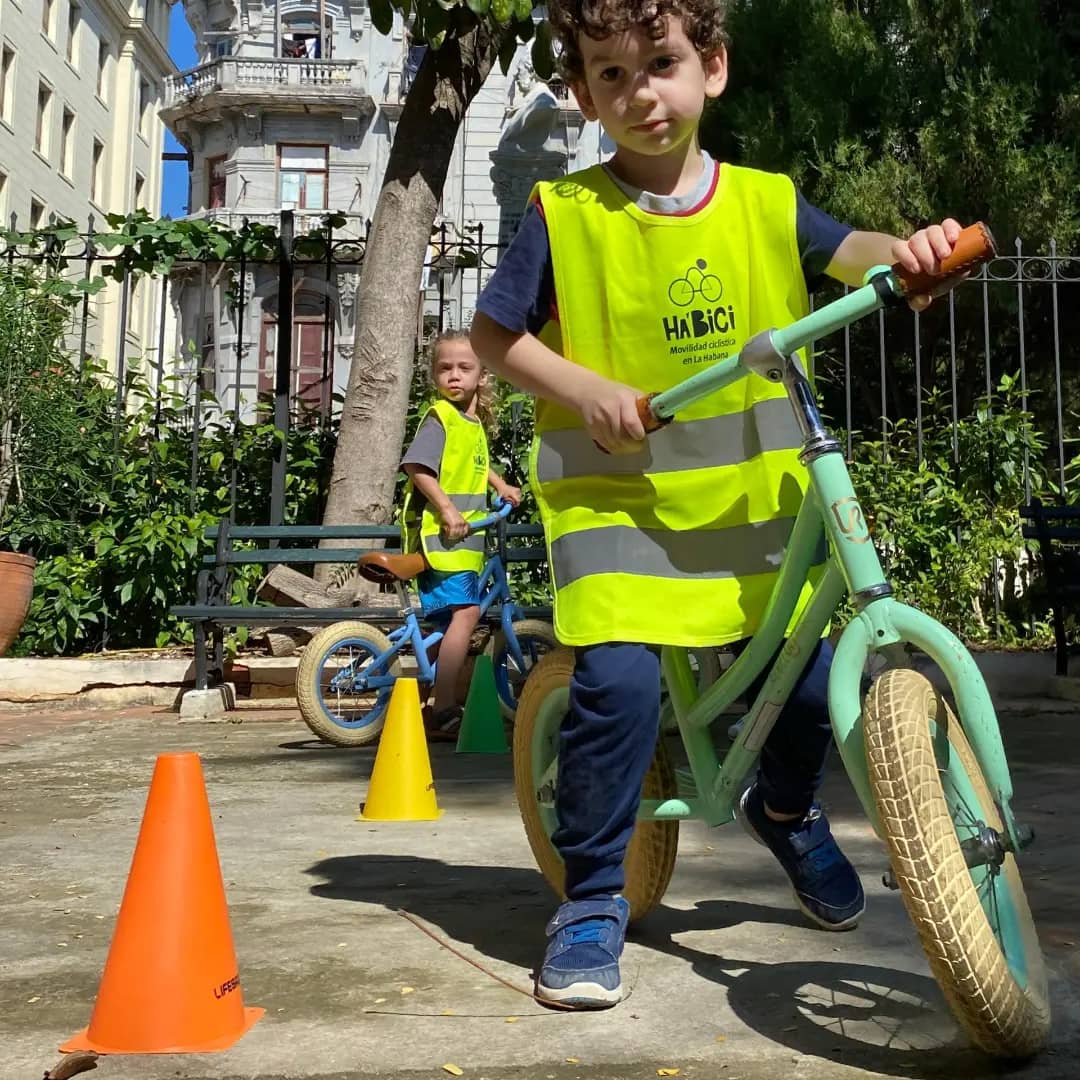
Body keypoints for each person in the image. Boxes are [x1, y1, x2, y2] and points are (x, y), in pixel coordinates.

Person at [470, 0, 964, 1009]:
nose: (641, 93)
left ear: (714, 68)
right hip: (618, 512)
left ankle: (785, 813)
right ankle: (594, 895)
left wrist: (911, 256)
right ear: (584, 97)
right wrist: (584, 391)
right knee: (620, 690)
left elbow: (852, 249)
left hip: (755, 514)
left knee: (813, 666)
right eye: (611, 77)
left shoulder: (763, 201)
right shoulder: (567, 215)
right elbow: (492, 342)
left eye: (661, 63)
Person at [400, 329, 522, 742]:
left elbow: (471, 464)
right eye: (444, 368)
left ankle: (432, 694)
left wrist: (500, 484)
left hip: (465, 541)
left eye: (464, 368)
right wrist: (448, 510)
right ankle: (445, 705)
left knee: (444, 622)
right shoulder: (441, 417)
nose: (454, 376)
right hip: (444, 539)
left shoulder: (470, 424)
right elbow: (418, 468)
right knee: (466, 615)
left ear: (482, 375)